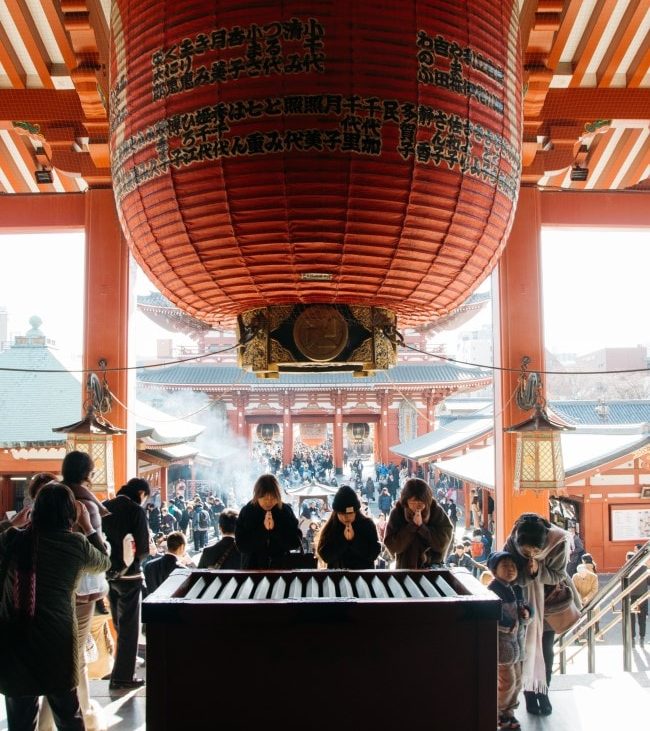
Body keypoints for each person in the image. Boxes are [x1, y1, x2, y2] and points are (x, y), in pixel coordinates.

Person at [0, 482, 110, 731]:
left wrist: (11, 524)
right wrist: (89, 526)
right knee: (68, 717)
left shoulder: (12, 540)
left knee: (20, 721)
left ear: (34, 510)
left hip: (16, 643)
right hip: (57, 644)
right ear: (70, 513)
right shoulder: (75, 545)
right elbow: (104, 561)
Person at [503, 513, 579, 717]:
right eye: (525, 551)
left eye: (535, 551)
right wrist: (525, 574)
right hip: (522, 605)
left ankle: (543, 691)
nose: (530, 554)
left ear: (544, 542)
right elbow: (505, 574)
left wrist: (538, 571)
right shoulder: (512, 543)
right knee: (525, 649)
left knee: (546, 650)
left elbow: (559, 574)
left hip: (548, 604)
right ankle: (528, 692)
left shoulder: (558, 541)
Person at [102, 477, 151, 690]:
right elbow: (142, 550)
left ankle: (117, 670)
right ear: (141, 493)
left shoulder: (104, 507)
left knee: (118, 624)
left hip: (108, 576)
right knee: (130, 628)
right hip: (130, 577)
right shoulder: (136, 511)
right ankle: (123, 676)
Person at [487, 551, 532, 731]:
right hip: (503, 646)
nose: (511, 569)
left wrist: (527, 613)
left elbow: (525, 608)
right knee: (507, 681)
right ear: (494, 570)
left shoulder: (516, 588)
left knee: (518, 681)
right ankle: (498, 712)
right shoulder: (492, 590)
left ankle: (509, 713)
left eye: (513, 566)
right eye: (505, 566)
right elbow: (492, 616)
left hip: (517, 645)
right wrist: (509, 624)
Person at [235, 474, 302, 569]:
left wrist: (275, 530)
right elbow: (241, 545)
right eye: (265, 498)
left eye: (273, 498)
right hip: (252, 569)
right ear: (257, 496)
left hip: (281, 569)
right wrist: (264, 531)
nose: (268, 502)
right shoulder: (247, 512)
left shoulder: (285, 511)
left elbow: (295, 542)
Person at [384, 478, 453, 569]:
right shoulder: (398, 512)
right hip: (405, 569)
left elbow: (443, 543)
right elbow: (392, 545)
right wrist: (411, 527)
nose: (417, 506)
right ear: (406, 501)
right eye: (412, 503)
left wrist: (422, 528)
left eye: (420, 503)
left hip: (431, 569)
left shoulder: (436, 511)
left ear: (427, 501)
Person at [316, 485, 380, 569]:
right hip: (337, 578)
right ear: (336, 513)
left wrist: (354, 540)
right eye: (342, 514)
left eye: (349, 514)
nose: (346, 517)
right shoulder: (331, 527)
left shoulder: (367, 524)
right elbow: (325, 556)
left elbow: (373, 554)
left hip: (363, 577)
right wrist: (343, 540)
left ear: (356, 512)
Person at [626, 549, 648, 645]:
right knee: (642, 618)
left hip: (630, 597)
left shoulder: (626, 568)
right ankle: (642, 637)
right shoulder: (644, 567)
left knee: (631, 619)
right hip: (643, 595)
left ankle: (632, 638)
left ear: (627, 559)